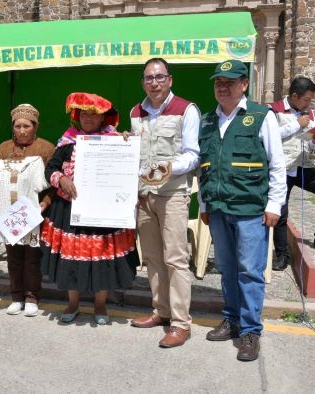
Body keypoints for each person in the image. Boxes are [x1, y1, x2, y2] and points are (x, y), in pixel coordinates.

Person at [198, 60, 286, 362]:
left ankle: (250, 331)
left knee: (250, 271)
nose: (223, 87)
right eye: (218, 82)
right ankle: (232, 320)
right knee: (227, 268)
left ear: (244, 84)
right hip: (219, 209)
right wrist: (204, 204)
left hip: (250, 208)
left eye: (230, 81)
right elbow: (205, 168)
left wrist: (275, 205)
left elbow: (277, 165)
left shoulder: (261, 116)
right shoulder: (208, 120)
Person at [41, 92, 139, 325]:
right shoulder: (68, 141)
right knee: (71, 261)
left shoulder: (114, 140)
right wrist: (61, 179)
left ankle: (100, 305)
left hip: (103, 213)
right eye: (84, 114)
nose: (88, 119)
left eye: (94, 115)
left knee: (102, 260)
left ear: (103, 118)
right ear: (78, 116)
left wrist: (127, 142)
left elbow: (127, 165)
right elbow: (50, 169)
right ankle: (73, 303)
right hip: (71, 211)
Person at [128, 58, 200, 348]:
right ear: (143, 81)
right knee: (153, 258)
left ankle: (181, 324)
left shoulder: (186, 109)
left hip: (172, 194)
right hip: (144, 195)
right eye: (148, 78)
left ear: (169, 79)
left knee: (175, 259)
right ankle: (161, 311)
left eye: (159, 77)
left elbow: (193, 154)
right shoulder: (136, 112)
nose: (154, 83)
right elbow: (136, 152)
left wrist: (167, 168)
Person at [0, 104, 54, 317]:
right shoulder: (3, 149)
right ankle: (16, 297)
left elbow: (53, 183)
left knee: (32, 257)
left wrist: (45, 203)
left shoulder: (46, 149)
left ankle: (32, 297)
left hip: (35, 214)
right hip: (9, 214)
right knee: (13, 257)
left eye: (27, 126)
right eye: (18, 126)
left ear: (35, 127)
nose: (22, 130)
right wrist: (4, 205)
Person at [271, 77, 315, 271]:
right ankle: (282, 254)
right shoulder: (273, 109)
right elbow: (268, 136)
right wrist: (296, 124)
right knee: (280, 212)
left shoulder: (308, 113)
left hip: (303, 165)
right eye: (307, 100)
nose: (309, 104)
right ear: (294, 96)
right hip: (282, 168)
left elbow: (311, 144)